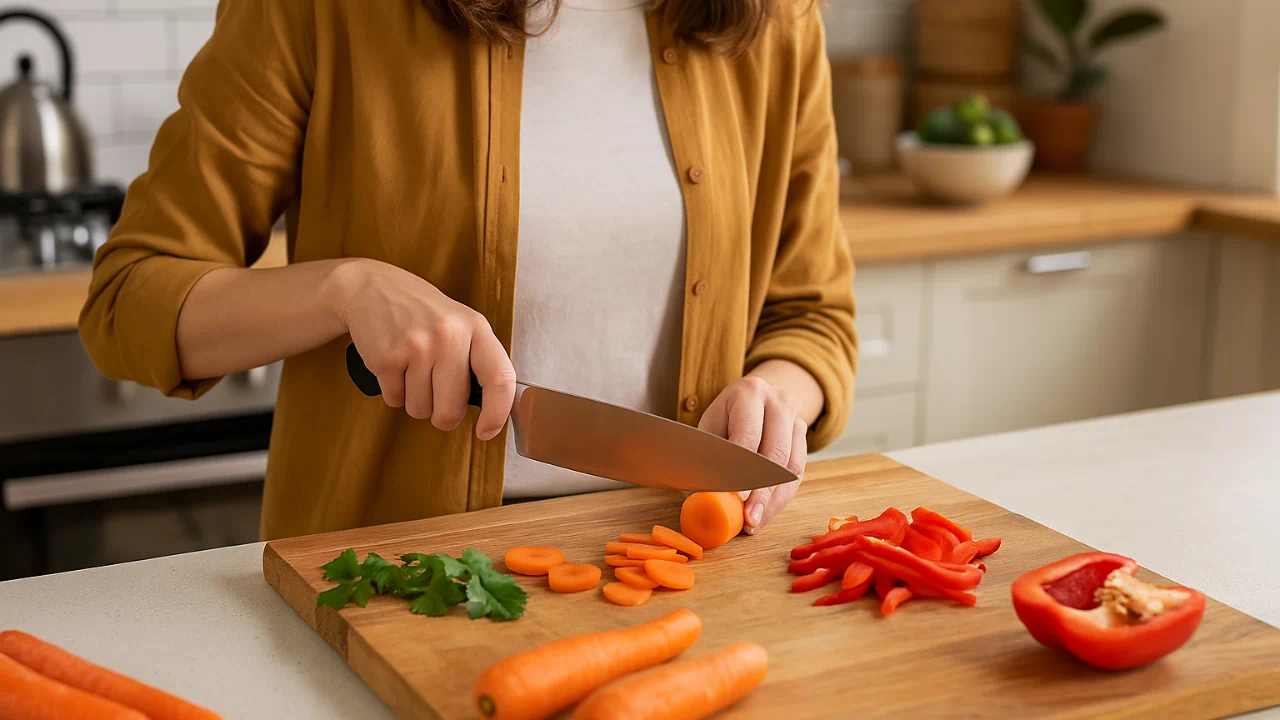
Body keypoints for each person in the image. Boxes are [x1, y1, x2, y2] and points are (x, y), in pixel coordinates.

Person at [78, 0, 858, 542]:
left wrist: (778, 395)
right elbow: (129, 299)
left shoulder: (773, 22)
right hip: (394, 588)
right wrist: (344, 288)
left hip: (680, 572)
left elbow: (813, 316)